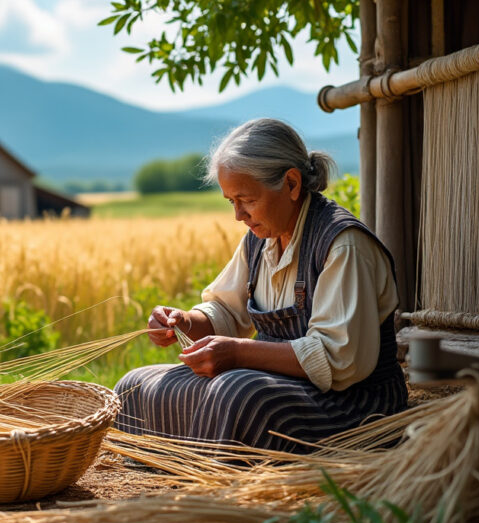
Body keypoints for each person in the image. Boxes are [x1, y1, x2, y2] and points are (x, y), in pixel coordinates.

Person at [114, 118, 407, 452]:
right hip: (280, 387)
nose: (239, 215)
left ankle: (207, 479)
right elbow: (225, 311)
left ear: (292, 184)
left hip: (351, 407)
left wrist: (239, 352)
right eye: (231, 202)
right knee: (136, 386)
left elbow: (337, 359)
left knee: (238, 395)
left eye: (247, 200)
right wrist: (183, 322)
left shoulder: (342, 245)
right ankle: (163, 469)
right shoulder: (258, 241)